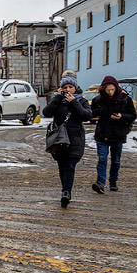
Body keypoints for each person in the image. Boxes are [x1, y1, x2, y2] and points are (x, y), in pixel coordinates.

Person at [42, 73, 92, 208]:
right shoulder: (58, 101)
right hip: (59, 140)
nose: (68, 89)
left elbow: (86, 116)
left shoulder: (81, 101)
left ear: (75, 88)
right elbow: (46, 112)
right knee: (62, 167)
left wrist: (74, 102)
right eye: (65, 87)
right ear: (61, 88)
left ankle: (66, 192)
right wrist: (57, 98)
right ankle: (65, 189)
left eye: (70, 87)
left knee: (70, 166)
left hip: (75, 138)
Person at [90, 75, 136, 193]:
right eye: (108, 89)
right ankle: (100, 182)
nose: (110, 92)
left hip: (118, 133)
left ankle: (113, 180)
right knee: (102, 159)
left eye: (112, 89)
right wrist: (100, 111)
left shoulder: (125, 99)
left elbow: (132, 115)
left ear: (116, 88)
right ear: (103, 88)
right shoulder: (98, 100)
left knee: (116, 160)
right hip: (102, 132)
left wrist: (122, 116)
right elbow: (90, 113)